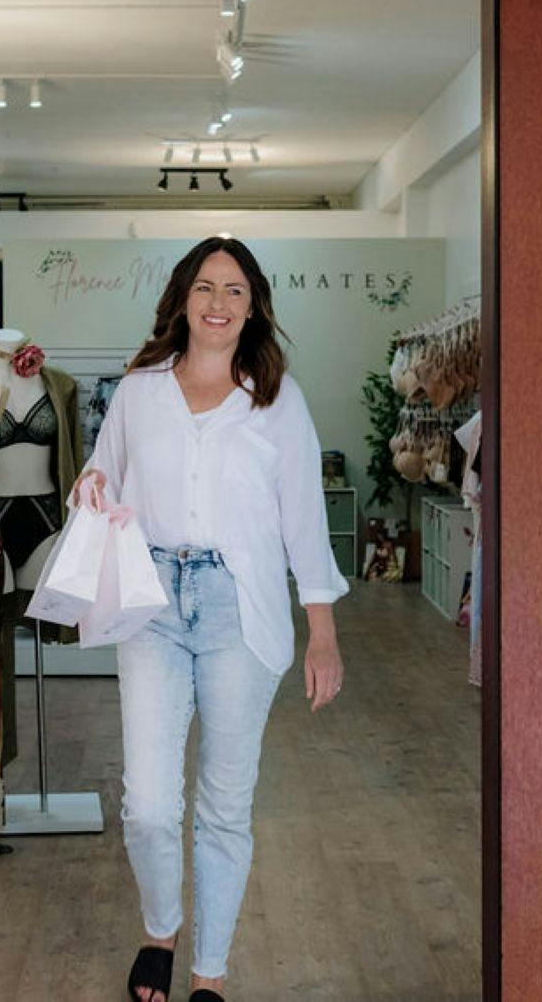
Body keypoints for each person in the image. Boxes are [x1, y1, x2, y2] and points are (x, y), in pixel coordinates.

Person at [73, 236, 348, 1002]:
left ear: (252, 304)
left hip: (240, 605)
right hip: (152, 600)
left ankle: (207, 972)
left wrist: (321, 630)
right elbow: (104, 467)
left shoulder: (274, 398)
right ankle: (159, 928)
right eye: (205, 287)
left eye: (233, 290)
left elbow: (301, 519)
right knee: (151, 805)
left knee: (225, 804)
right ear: (182, 299)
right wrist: (93, 482)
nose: (218, 303)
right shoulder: (139, 389)